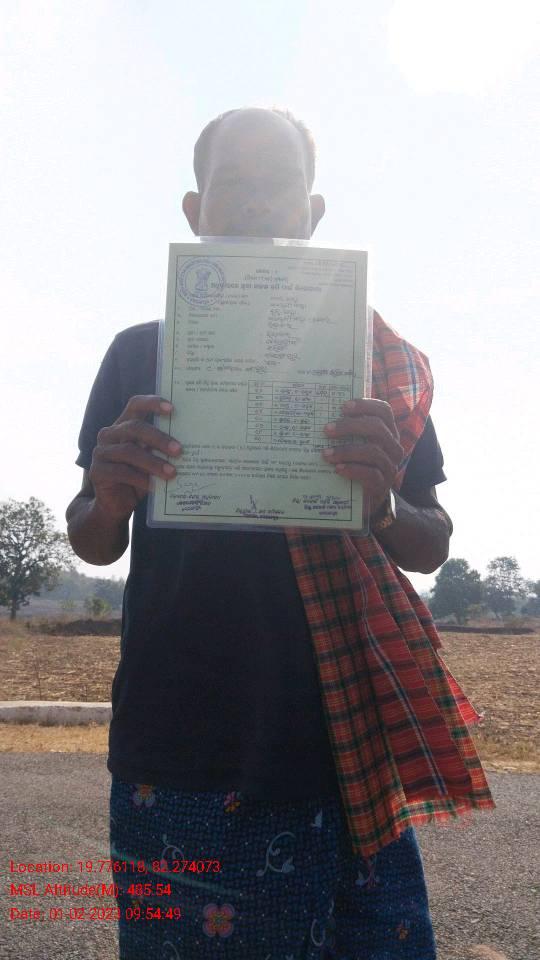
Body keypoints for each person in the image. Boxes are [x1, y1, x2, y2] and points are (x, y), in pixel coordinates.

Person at [66, 107, 495, 960]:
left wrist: (380, 505)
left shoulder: (372, 367)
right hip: (180, 741)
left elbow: (432, 541)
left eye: (279, 185)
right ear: (195, 212)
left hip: (344, 742)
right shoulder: (138, 355)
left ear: (313, 212)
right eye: (234, 184)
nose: (258, 203)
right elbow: (92, 538)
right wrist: (109, 497)